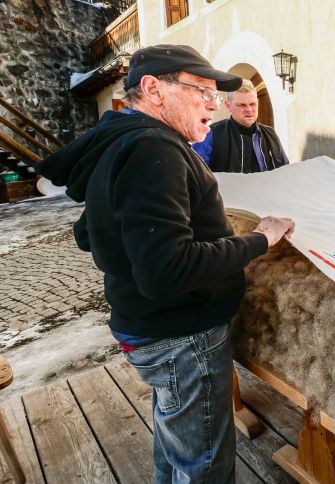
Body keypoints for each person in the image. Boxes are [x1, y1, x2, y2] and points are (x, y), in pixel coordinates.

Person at [35, 44, 295, 483]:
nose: (213, 104)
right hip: (180, 337)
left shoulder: (123, 140)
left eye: (216, 95)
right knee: (204, 466)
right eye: (202, 91)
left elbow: (88, 233)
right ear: (154, 89)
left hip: (148, 327)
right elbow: (166, 270)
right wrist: (258, 239)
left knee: (177, 449)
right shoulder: (153, 150)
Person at [192, 79, 289, 173]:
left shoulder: (271, 134)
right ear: (228, 106)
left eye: (252, 104)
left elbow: (285, 172)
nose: (249, 109)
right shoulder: (211, 134)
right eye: (242, 105)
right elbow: (195, 174)